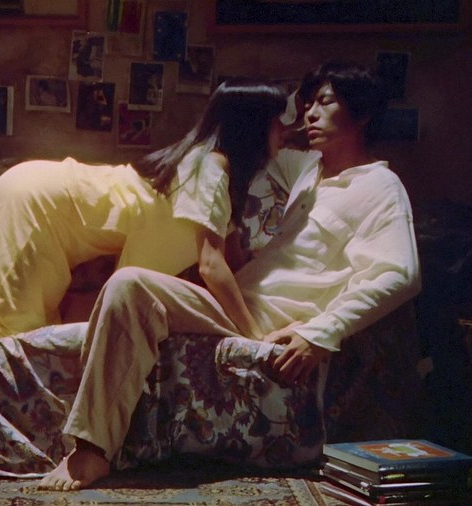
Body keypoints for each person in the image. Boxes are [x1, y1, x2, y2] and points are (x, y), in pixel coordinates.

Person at [40, 61, 421, 490]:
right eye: (308, 103)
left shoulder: (380, 187)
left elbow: (400, 274)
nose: (310, 114)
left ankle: (91, 451)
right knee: (123, 288)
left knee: (130, 286)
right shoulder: (307, 171)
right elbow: (252, 133)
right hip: (236, 304)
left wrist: (321, 333)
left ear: (363, 114)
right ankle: (85, 438)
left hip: (269, 321)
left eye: (325, 103)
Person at [0, 79, 288, 338]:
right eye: (278, 122)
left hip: (43, 196)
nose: (286, 133)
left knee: (48, 324)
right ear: (252, 128)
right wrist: (254, 337)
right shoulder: (210, 169)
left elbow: (232, 260)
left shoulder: (212, 175)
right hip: (36, 201)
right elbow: (210, 266)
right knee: (8, 333)